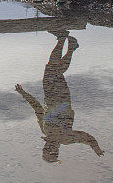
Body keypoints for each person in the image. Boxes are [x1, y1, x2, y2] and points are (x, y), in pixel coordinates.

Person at [15, 32, 104, 163]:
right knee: (53, 70)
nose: (46, 147)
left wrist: (23, 93)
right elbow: (86, 137)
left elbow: (37, 107)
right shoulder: (66, 139)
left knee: (54, 70)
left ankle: (70, 45)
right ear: (54, 150)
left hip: (50, 94)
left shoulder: (45, 130)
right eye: (48, 150)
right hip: (61, 98)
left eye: (45, 149)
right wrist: (96, 148)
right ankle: (63, 39)